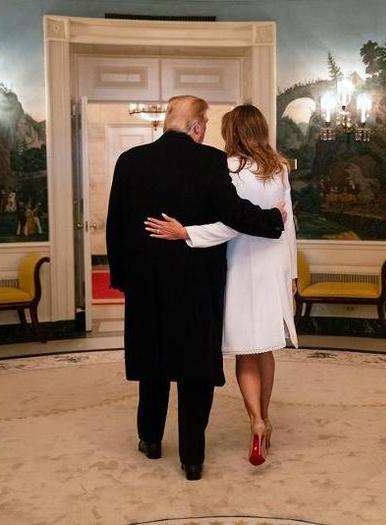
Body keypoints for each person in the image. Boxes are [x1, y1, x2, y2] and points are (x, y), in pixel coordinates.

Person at [106, 95, 286, 481]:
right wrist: (275, 219)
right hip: (196, 288)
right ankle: (192, 458)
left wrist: (122, 279)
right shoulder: (209, 161)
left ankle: (150, 439)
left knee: (152, 366)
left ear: (166, 122)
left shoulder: (129, 161)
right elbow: (233, 214)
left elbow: (115, 227)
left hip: (146, 286)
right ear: (198, 127)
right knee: (194, 372)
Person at [145, 105, 298, 467]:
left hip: (241, 265)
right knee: (266, 350)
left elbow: (235, 223)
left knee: (246, 350)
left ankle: (256, 422)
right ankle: (266, 419)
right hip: (274, 266)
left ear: (232, 133)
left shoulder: (227, 167)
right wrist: (291, 273)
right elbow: (288, 224)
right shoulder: (279, 168)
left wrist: (188, 233)